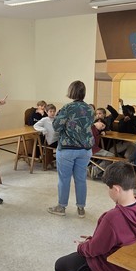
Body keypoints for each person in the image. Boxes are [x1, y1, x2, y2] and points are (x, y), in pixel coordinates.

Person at [55, 162, 136, 271]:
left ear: (116, 189)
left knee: (60, 265)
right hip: (127, 265)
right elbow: (117, 238)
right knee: (79, 259)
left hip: (109, 268)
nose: (108, 191)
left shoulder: (113, 217)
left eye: (108, 188)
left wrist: (81, 246)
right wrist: (95, 239)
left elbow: (94, 250)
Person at [48, 80, 94, 218]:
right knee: (81, 179)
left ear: (71, 91)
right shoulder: (90, 109)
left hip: (67, 148)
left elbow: (56, 126)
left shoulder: (67, 108)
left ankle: (61, 207)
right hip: (85, 149)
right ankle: (81, 208)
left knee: (64, 179)